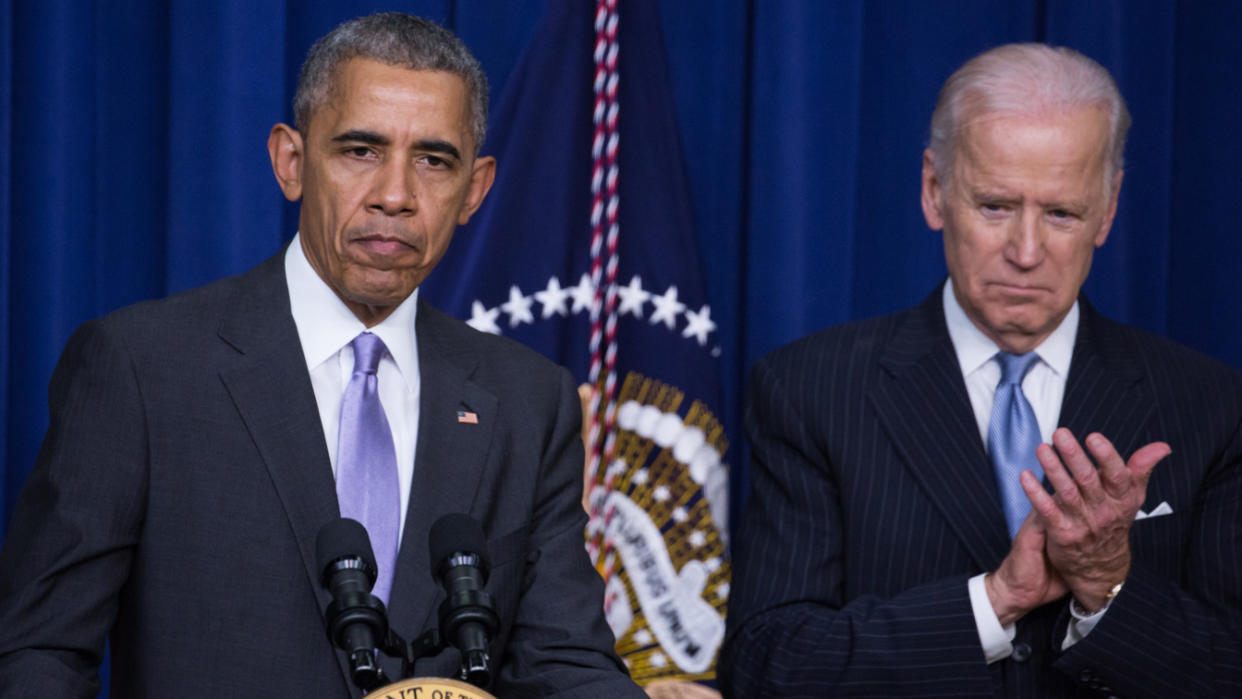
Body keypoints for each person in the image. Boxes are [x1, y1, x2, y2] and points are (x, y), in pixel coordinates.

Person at [0, 13, 644, 698]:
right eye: (361, 150)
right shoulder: (141, 368)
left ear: (475, 190)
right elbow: (39, 653)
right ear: (291, 162)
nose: (395, 195)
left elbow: (565, 662)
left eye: (433, 160)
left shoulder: (527, 399)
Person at [721, 43, 1242, 697]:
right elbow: (766, 664)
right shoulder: (808, 391)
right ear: (934, 191)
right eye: (995, 206)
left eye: (1061, 213)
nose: (1026, 251)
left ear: (1107, 211)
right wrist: (993, 602)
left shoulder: (1211, 408)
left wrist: (1108, 583)